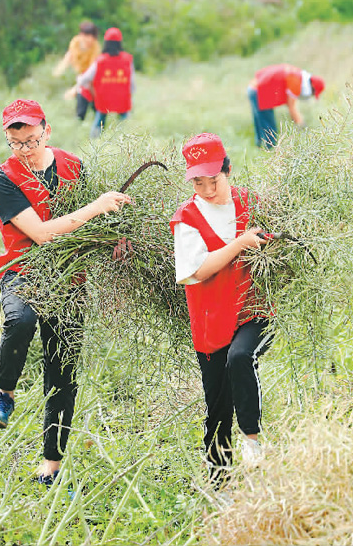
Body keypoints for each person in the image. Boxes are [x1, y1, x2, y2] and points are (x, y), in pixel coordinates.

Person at [0, 98, 130, 485]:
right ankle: (5, 394)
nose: (25, 151)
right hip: (24, 271)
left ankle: (51, 466)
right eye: (16, 144)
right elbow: (43, 234)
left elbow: (89, 224)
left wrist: (112, 236)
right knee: (20, 319)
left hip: (69, 277)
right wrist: (97, 207)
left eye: (31, 141)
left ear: (47, 131)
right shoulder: (4, 179)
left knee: (62, 369)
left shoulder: (74, 167)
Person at [170, 133, 272, 487]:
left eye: (214, 179)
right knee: (216, 411)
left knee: (241, 357)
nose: (208, 188)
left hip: (252, 309)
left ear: (228, 170)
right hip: (211, 321)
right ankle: (220, 487)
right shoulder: (186, 218)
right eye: (198, 181)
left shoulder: (252, 202)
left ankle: (253, 440)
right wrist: (240, 242)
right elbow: (198, 271)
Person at [247, 64, 325, 148]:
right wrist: (303, 126)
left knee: (260, 122)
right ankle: (269, 151)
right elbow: (292, 107)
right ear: (312, 86)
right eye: (313, 93)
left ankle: (259, 147)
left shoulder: (297, 75)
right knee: (268, 127)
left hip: (254, 87)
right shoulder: (296, 82)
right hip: (258, 91)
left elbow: (290, 103)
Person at [77, 27, 134, 138]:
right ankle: (124, 146)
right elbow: (132, 83)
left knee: (99, 122)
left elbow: (84, 79)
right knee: (125, 125)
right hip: (122, 100)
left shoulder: (100, 60)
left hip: (104, 101)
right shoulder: (127, 60)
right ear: (119, 43)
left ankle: (94, 146)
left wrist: (83, 82)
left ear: (106, 43)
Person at [53, 20, 101, 121]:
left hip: (91, 77)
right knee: (81, 102)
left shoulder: (95, 47)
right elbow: (69, 56)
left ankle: (98, 119)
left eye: (92, 38)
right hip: (81, 75)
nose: (89, 41)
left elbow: (90, 74)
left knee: (94, 101)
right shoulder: (75, 42)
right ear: (81, 35)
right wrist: (58, 71)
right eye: (87, 37)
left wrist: (73, 90)